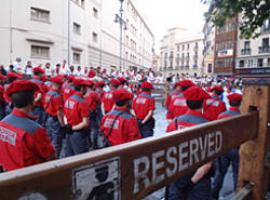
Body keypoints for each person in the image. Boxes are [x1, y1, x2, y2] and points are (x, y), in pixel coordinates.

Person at [166, 86, 212, 200]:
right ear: (202, 104)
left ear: (187, 103)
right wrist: (192, 182)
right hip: (198, 180)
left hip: (176, 176)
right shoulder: (209, 126)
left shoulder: (175, 122)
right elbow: (208, 163)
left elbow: (166, 150)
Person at [0, 80, 55, 171]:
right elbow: (51, 157)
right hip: (30, 179)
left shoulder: (2, 123)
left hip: (7, 175)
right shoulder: (34, 130)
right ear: (33, 101)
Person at [211, 93, 242, 199]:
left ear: (229, 103)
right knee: (237, 174)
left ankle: (214, 195)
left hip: (223, 148)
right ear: (240, 103)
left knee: (219, 173)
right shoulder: (242, 116)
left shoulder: (222, 115)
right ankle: (237, 195)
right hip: (237, 148)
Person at [64, 78, 89, 157]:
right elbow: (85, 123)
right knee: (80, 158)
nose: (87, 89)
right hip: (78, 133)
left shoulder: (69, 99)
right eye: (86, 87)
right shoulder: (82, 102)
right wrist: (73, 128)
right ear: (82, 88)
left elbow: (65, 115)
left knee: (69, 156)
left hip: (68, 131)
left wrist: (67, 126)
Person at [44, 76, 65, 158]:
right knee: (57, 143)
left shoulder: (48, 93)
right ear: (59, 84)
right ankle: (55, 161)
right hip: (55, 120)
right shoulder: (57, 96)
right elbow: (59, 112)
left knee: (49, 140)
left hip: (48, 119)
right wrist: (62, 124)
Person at [84, 80, 100, 149]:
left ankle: (89, 143)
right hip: (92, 112)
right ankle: (95, 144)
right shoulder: (94, 93)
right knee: (95, 129)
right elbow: (99, 101)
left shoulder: (84, 93)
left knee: (88, 128)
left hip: (86, 111)